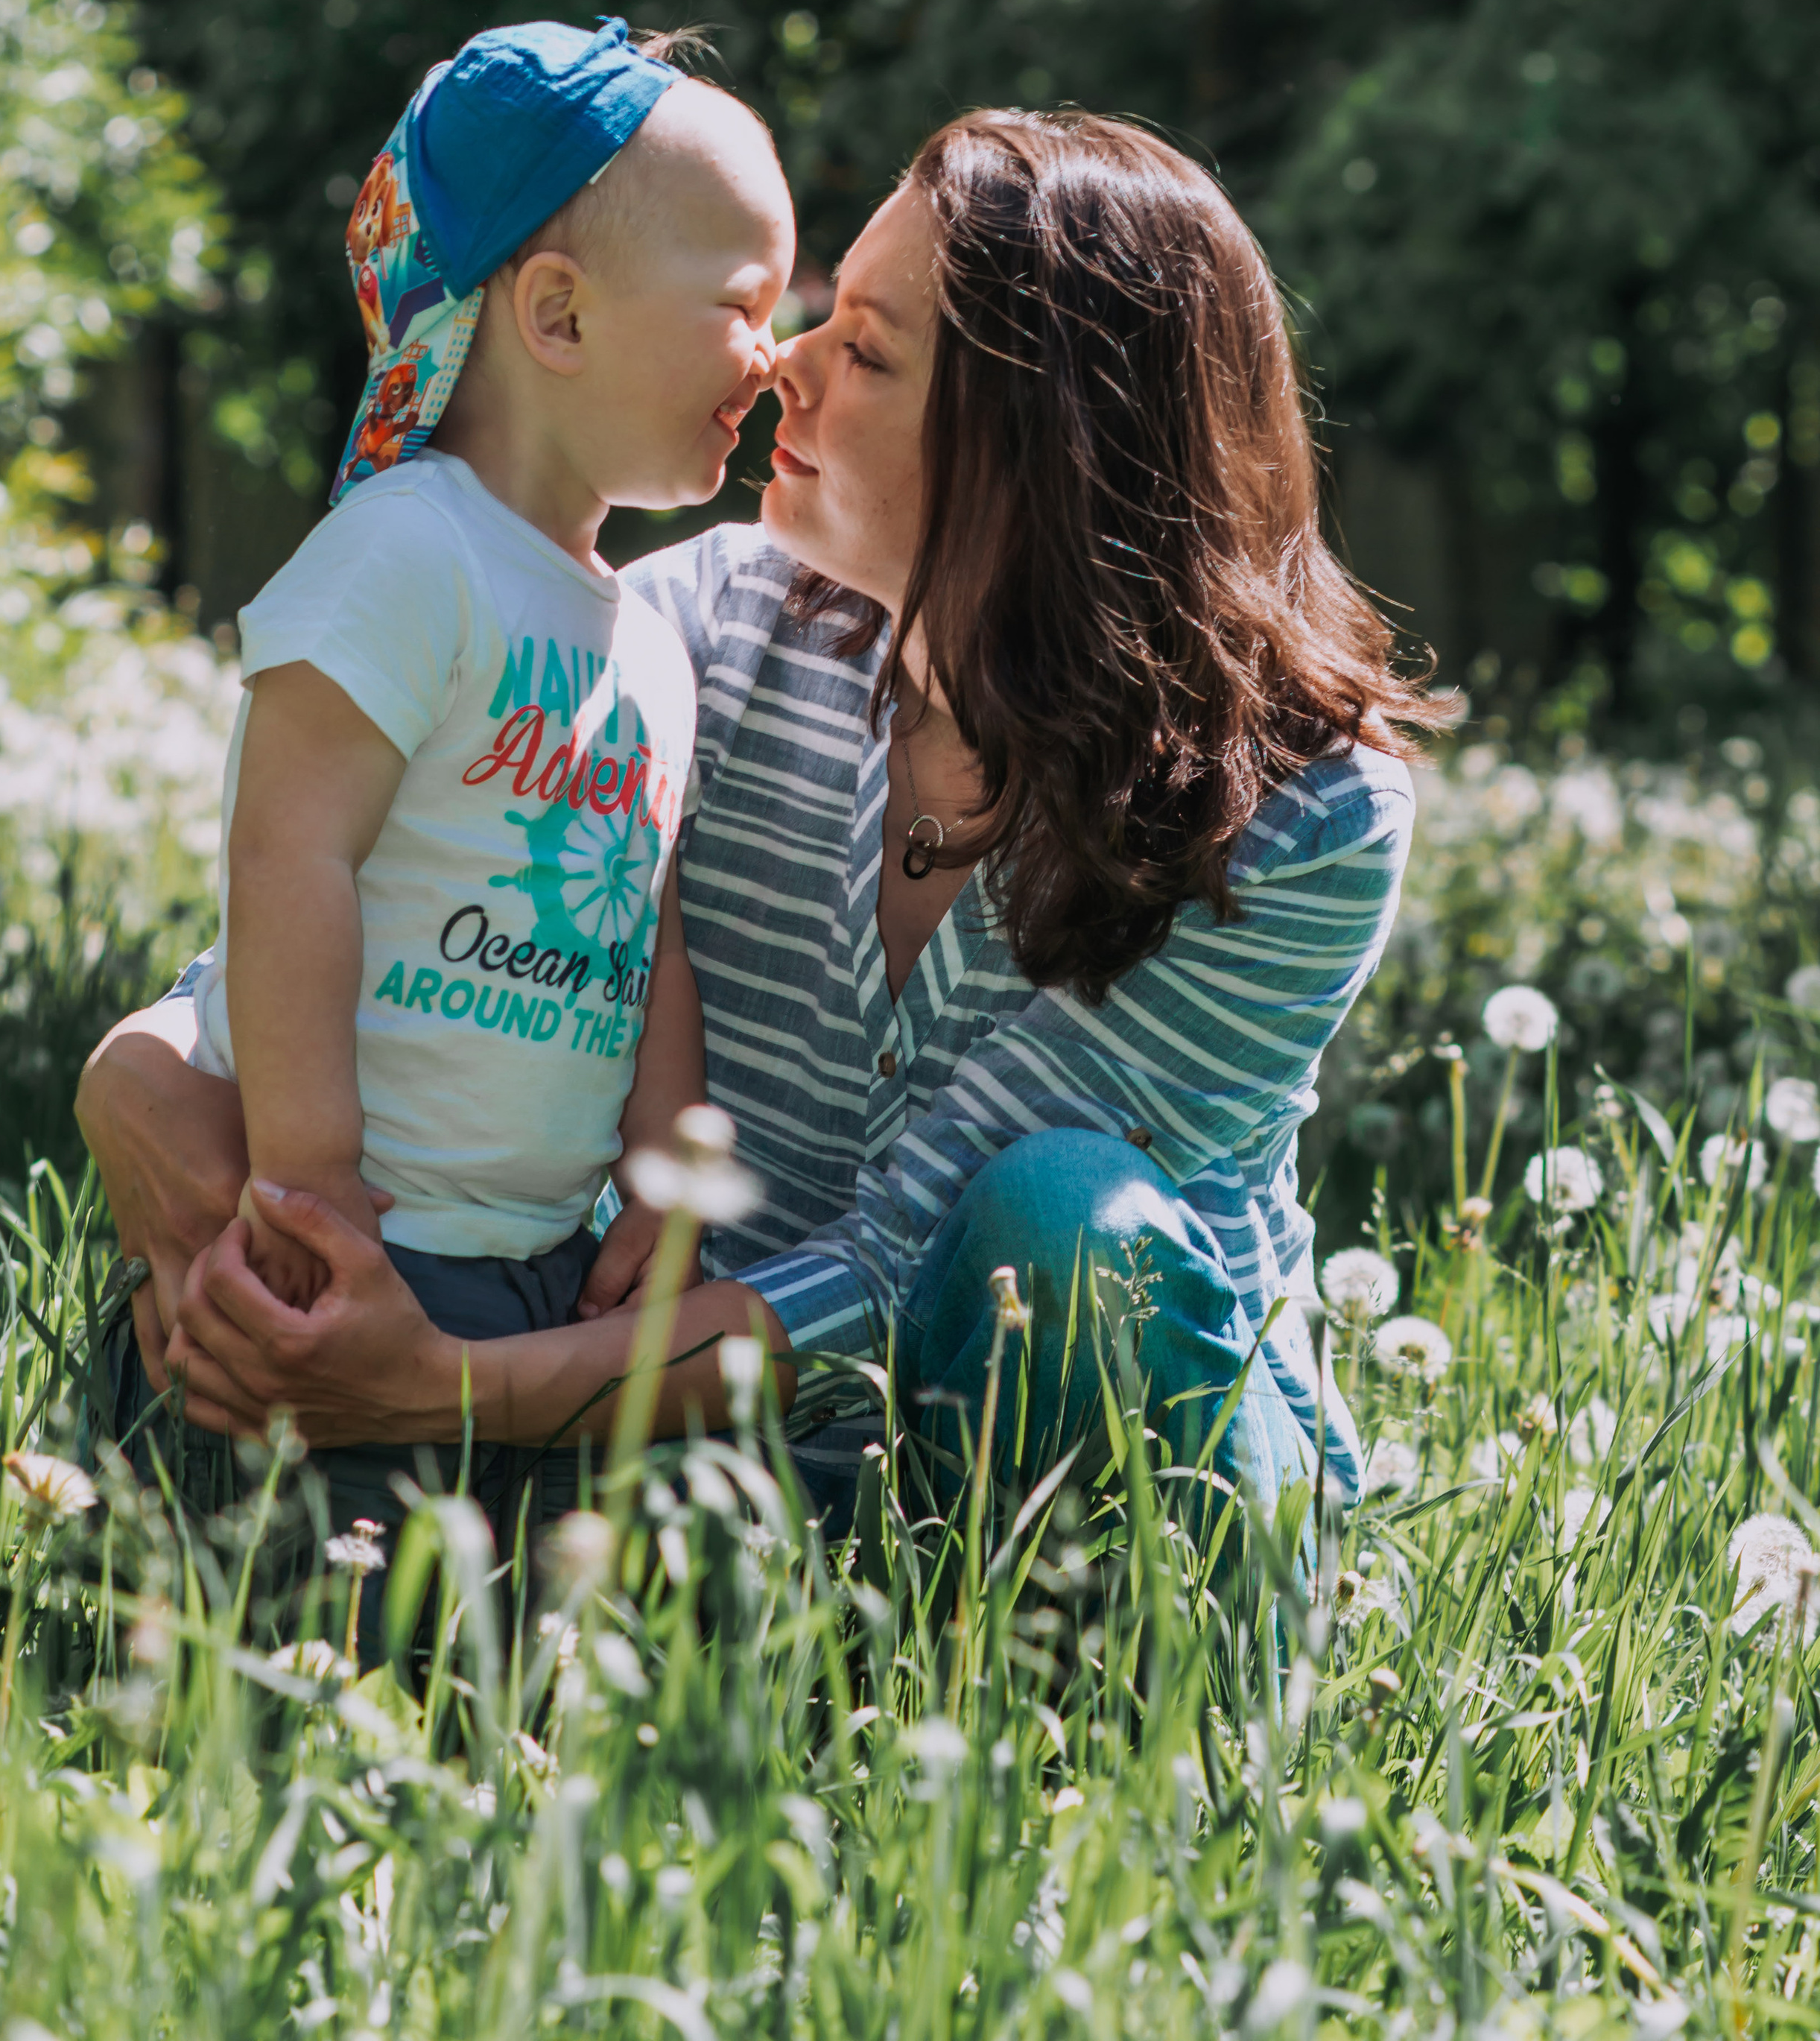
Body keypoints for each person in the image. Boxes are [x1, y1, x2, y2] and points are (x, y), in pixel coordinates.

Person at [79, 108, 1450, 1538]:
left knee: (1061, 1220)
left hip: (1100, 1489)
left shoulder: (1301, 817)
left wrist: (455, 1388)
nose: (779, 360)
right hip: (709, 1460)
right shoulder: (684, 639)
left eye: (862, 348)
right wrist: (148, 1070)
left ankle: (1151, 1725)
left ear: (1036, 446)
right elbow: (394, 910)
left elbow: (904, 1261)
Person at [122, 13, 794, 1551]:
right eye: (742, 302)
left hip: (539, 1265)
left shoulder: (642, 635)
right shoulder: (406, 551)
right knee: (298, 1623)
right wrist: (306, 1177)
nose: (776, 349)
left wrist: (662, 1182)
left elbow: (650, 936)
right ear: (554, 313)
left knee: (493, 1649)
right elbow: (285, 855)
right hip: (360, 1236)